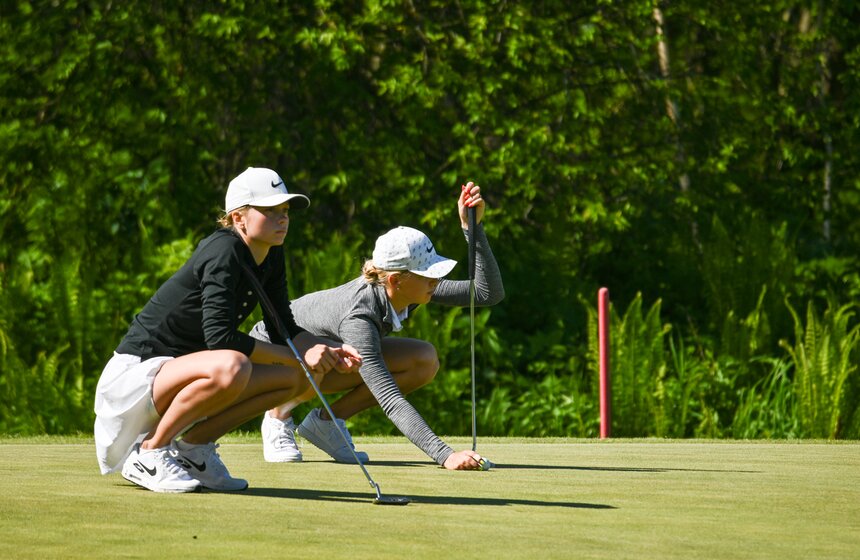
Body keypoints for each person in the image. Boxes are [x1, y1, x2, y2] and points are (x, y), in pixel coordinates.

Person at [93, 167, 361, 493]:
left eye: (285, 211)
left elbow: (284, 327)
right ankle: (150, 453)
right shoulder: (223, 251)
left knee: (296, 378)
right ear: (238, 218)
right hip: (137, 377)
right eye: (270, 210)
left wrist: (326, 350)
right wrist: (299, 356)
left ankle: (193, 451)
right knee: (234, 365)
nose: (282, 219)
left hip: (182, 375)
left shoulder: (271, 253)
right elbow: (220, 338)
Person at [251, 182, 504, 470]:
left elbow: (486, 293)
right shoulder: (359, 316)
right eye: (427, 274)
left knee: (422, 360)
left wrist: (473, 229)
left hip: (319, 359)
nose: (435, 280)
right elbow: (389, 397)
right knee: (321, 358)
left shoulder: (411, 289)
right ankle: (277, 417)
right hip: (270, 360)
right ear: (396, 280)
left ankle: (325, 424)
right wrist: (445, 455)